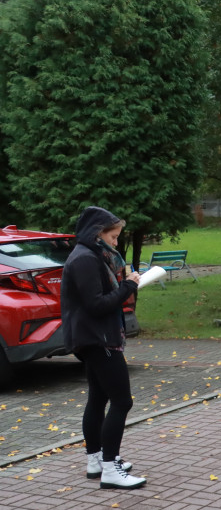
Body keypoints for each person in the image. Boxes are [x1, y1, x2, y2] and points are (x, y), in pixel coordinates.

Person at [61, 207, 144, 489]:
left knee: (98, 397)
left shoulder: (91, 255)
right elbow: (96, 304)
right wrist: (128, 286)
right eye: (113, 236)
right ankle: (110, 467)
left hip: (94, 337)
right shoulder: (85, 258)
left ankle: (96, 461)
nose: (116, 242)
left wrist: (123, 286)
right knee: (122, 401)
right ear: (98, 233)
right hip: (98, 338)